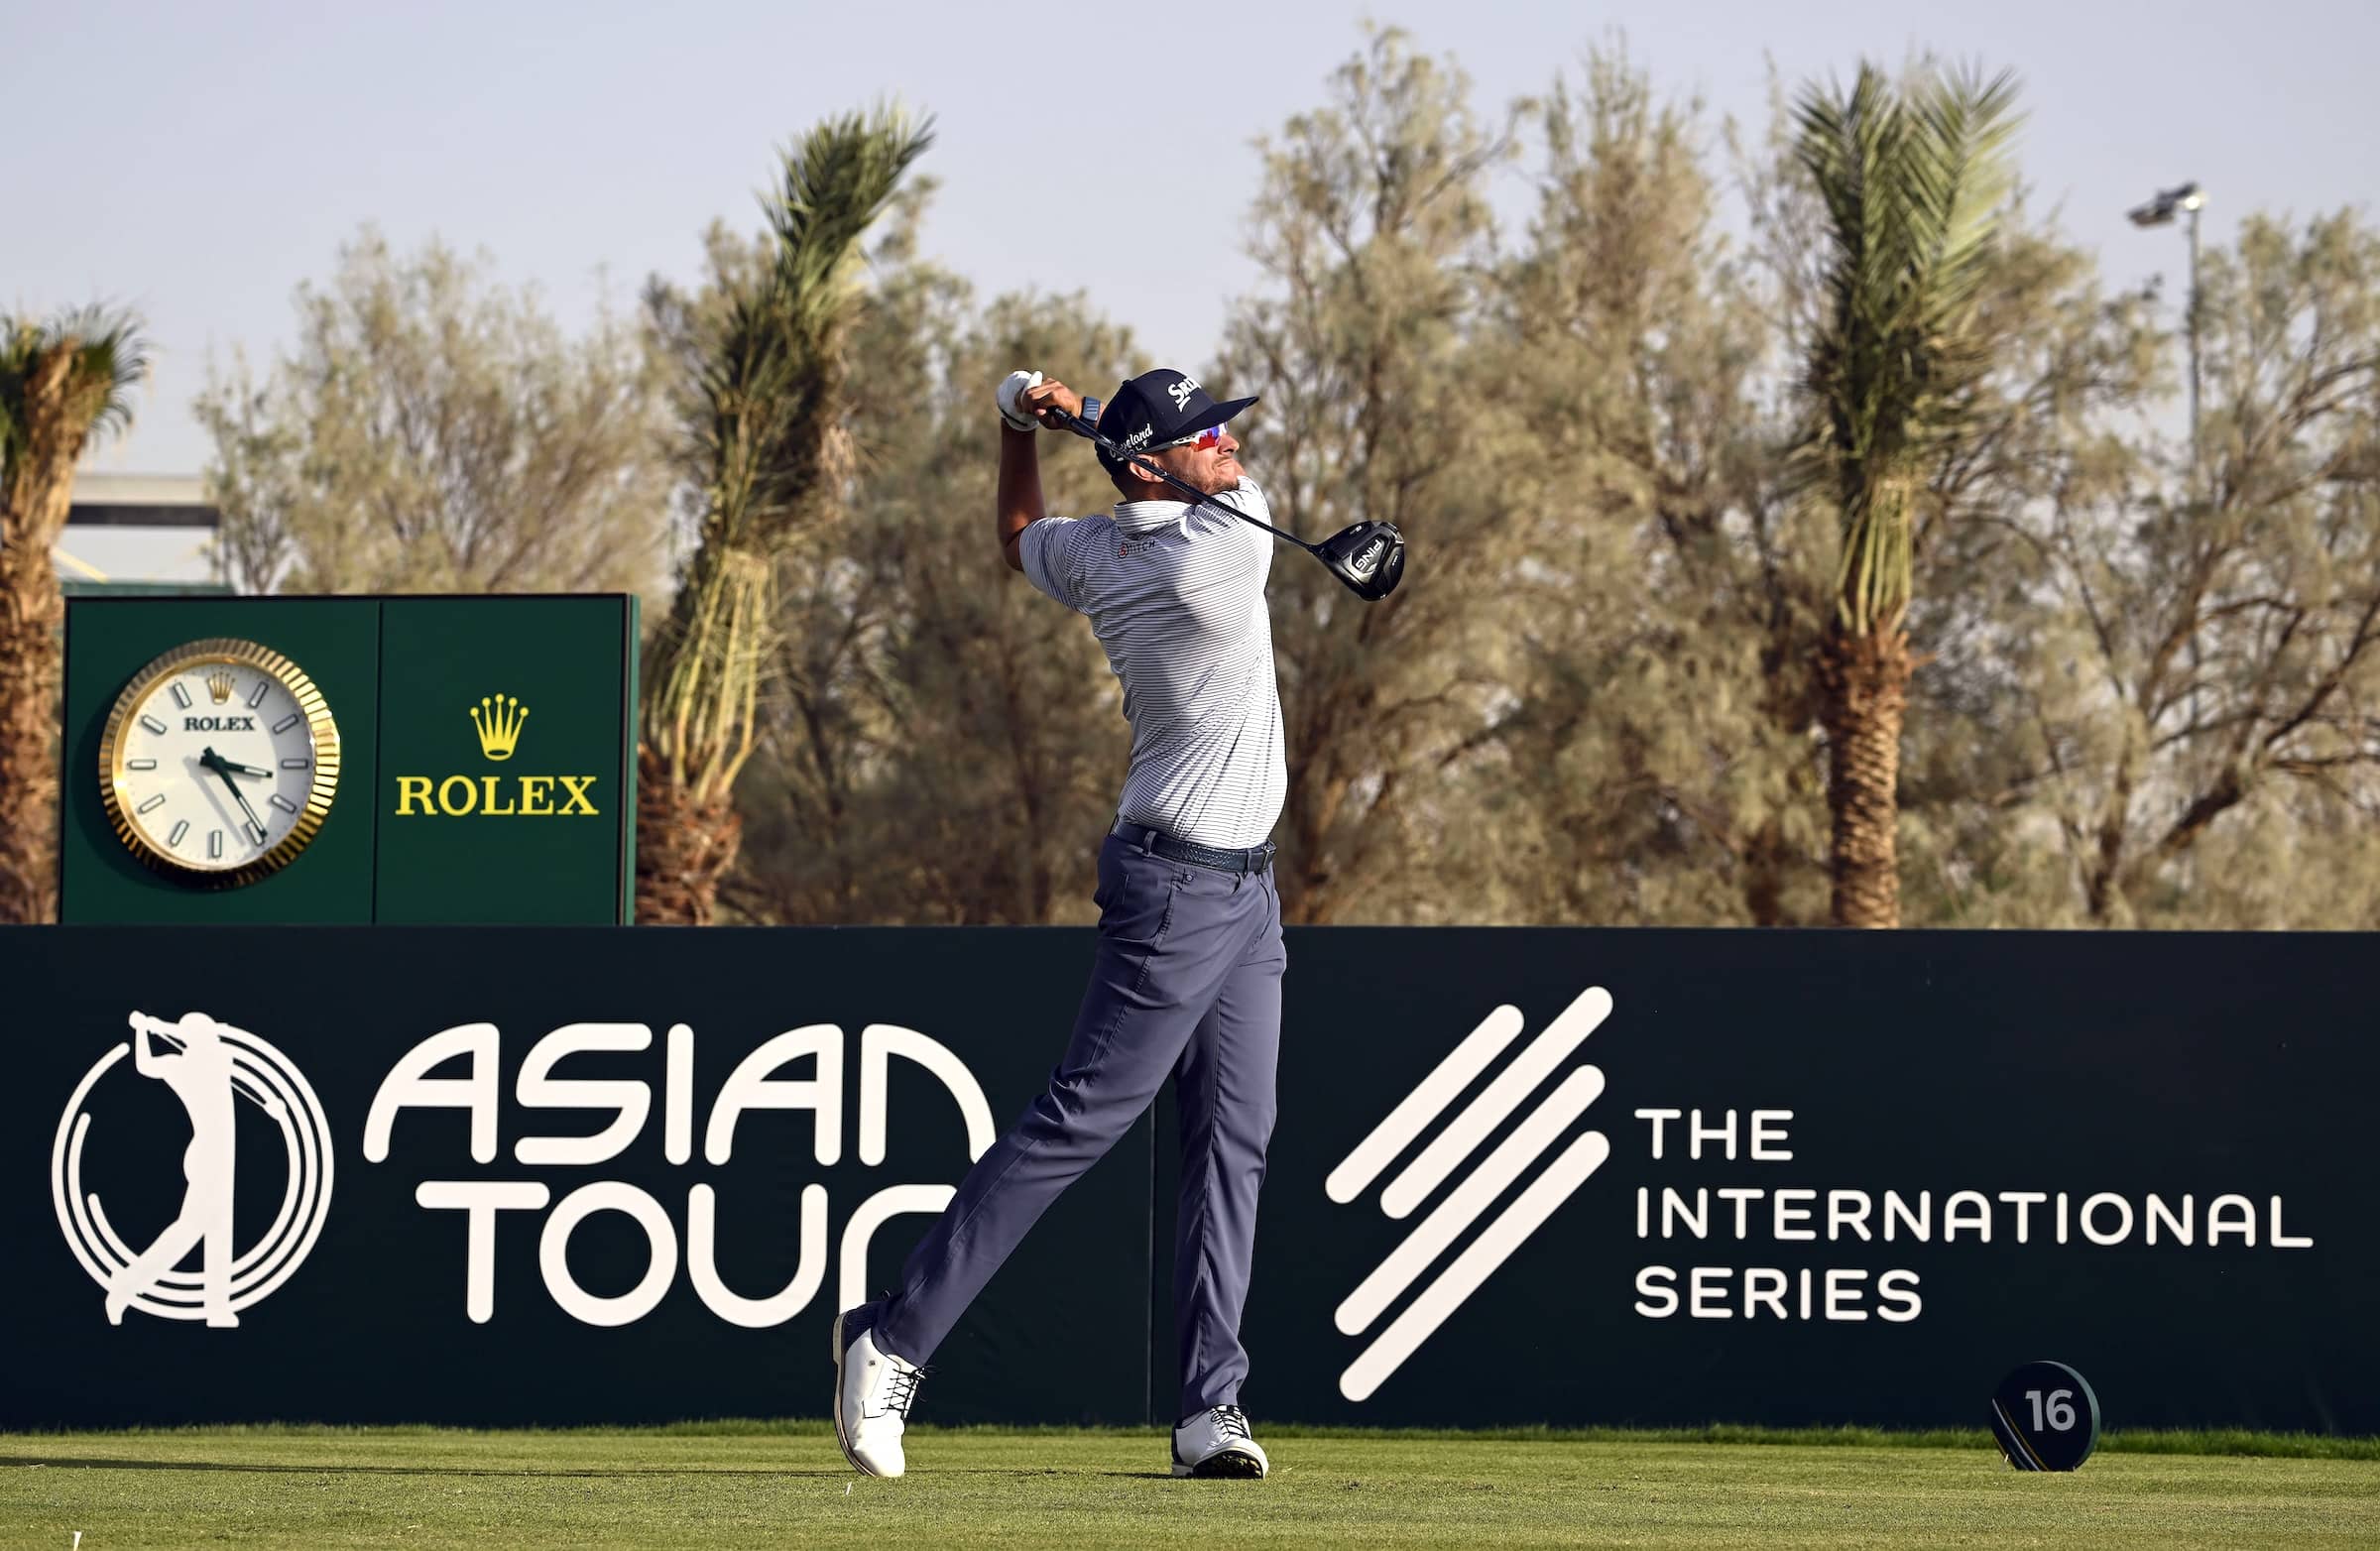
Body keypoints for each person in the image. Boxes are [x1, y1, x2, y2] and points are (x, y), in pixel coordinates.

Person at [833, 366, 1288, 1481]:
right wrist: (1080, 419)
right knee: (1077, 1121)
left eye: (1225, 430)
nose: (1228, 444)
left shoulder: (1098, 552)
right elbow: (1191, 490)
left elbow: (1017, 532)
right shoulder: (1216, 554)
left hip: (1245, 894)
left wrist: (1013, 425)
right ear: (1151, 467)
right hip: (1179, 892)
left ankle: (1205, 1411)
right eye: (1204, 436)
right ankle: (891, 1338)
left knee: (1233, 1144)